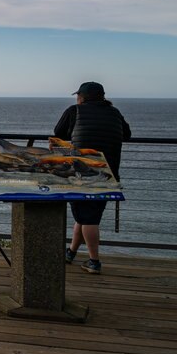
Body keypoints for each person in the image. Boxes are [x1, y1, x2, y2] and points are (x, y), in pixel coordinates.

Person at [54, 81, 131, 274]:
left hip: (82, 174)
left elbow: (58, 133)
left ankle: (94, 261)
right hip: (108, 173)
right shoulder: (114, 113)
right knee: (86, 215)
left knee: (89, 219)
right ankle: (70, 252)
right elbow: (127, 134)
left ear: (82, 97)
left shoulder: (75, 111)